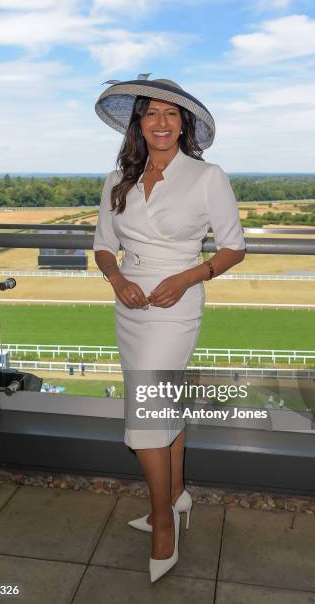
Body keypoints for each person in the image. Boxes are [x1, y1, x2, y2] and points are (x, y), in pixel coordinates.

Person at [93, 74, 246, 582]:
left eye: (171, 113)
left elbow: (232, 246)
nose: (162, 122)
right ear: (139, 122)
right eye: (152, 113)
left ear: (184, 125)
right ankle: (177, 497)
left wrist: (186, 277)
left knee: (145, 417)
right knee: (163, 407)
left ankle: (163, 522)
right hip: (130, 306)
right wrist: (117, 280)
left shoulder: (208, 176)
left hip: (176, 307)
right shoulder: (118, 180)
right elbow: (101, 245)